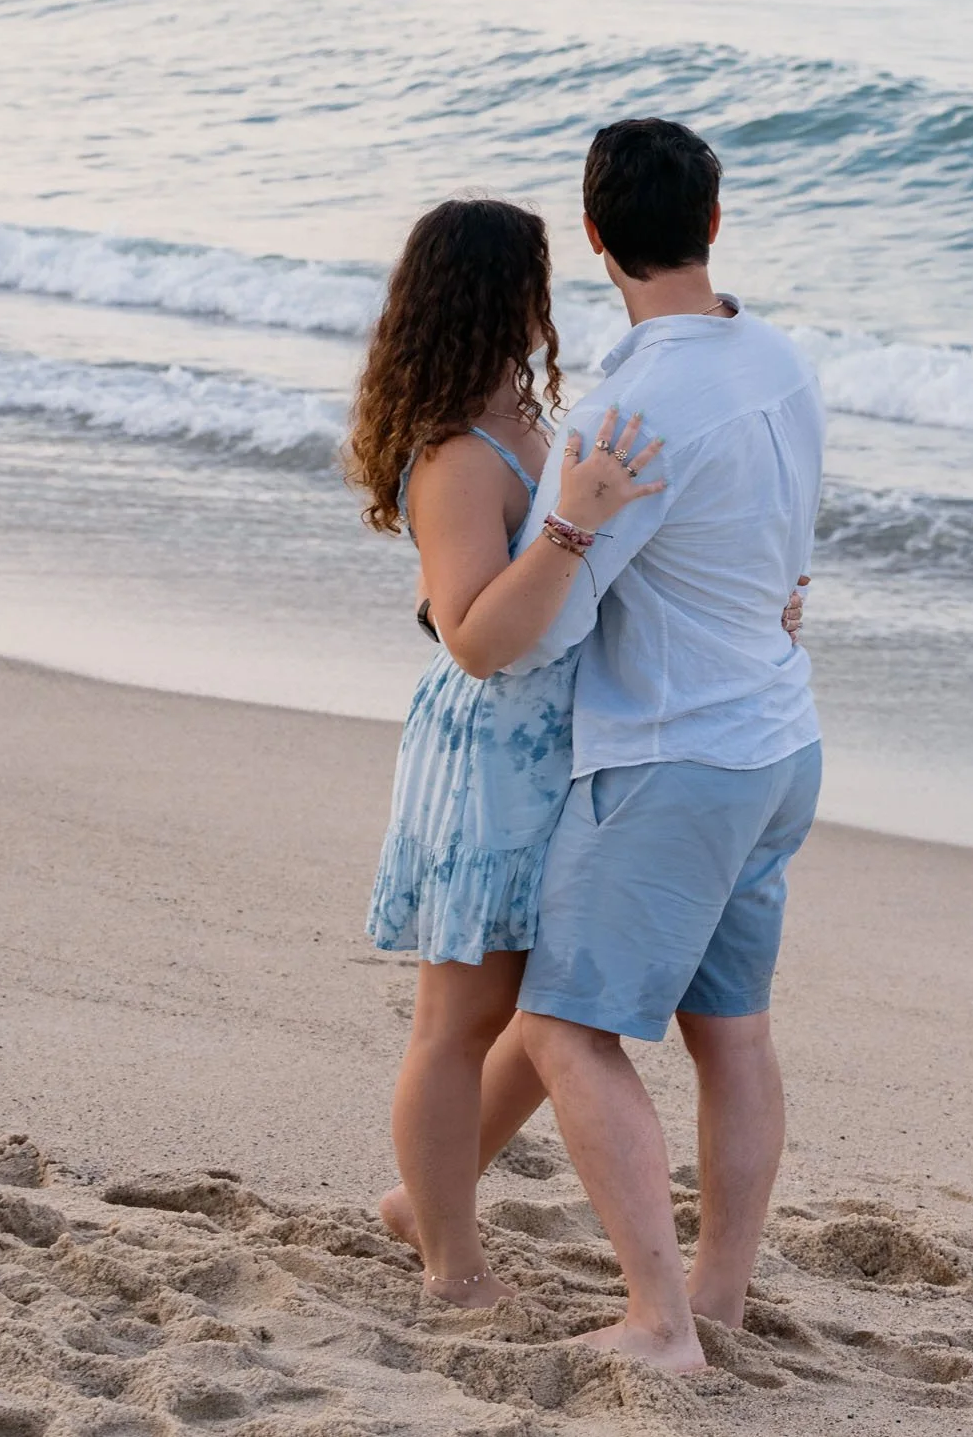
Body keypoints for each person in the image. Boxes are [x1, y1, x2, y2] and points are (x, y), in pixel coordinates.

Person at [513, 117, 825, 1373]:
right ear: (712, 220)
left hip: (670, 756)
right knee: (732, 1034)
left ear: (593, 239)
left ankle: (657, 1320)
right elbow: (787, 533)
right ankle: (722, 1295)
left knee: (563, 1029)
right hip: (778, 737)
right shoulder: (778, 359)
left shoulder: (624, 413)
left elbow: (546, 622)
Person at [347, 197, 665, 1305]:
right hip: (490, 750)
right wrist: (572, 522)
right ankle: (446, 1261)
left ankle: (415, 1201)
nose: (549, 304)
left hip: (561, 744)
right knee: (461, 1019)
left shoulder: (527, 422)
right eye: (536, 280)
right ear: (504, 294)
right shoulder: (454, 457)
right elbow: (476, 638)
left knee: (549, 1010)